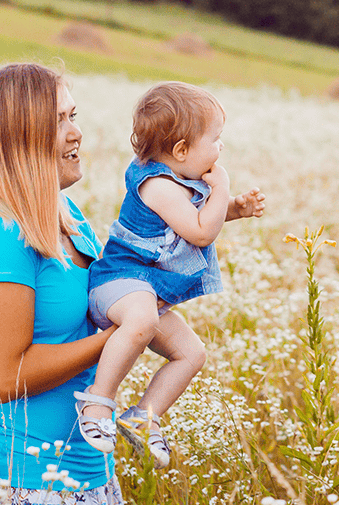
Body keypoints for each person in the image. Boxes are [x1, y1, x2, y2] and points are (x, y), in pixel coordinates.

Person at [0, 63, 122, 503]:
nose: (75, 133)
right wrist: (119, 337)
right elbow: (6, 378)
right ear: (17, 139)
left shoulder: (70, 216)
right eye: (56, 121)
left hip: (90, 474)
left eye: (73, 116)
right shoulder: (0, 239)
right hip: (22, 484)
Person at [76, 82, 264, 468]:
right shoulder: (157, 185)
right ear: (180, 151)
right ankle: (97, 404)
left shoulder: (178, 183)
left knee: (192, 353)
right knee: (143, 318)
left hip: (143, 291)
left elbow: (197, 215)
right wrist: (223, 186)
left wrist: (234, 208)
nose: (220, 149)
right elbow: (199, 230)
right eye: (215, 140)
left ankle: (144, 417)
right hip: (117, 282)